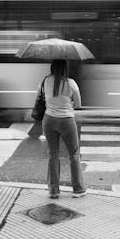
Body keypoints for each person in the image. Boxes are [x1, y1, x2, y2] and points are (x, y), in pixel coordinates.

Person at [37, 59, 86, 199]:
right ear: (65, 68)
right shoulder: (71, 83)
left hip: (48, 120)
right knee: (74, 155)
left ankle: (53, 191)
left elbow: (39, 98)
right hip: (67, 121)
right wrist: (67, 102)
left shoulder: (45, 81)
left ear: (51, 67)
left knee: (53, 155)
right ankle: (78, 190)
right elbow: (78, 105)